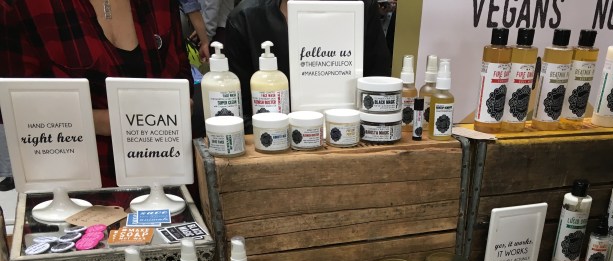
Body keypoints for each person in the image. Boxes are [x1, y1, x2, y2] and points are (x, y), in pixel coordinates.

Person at [0, 0, 193, 187]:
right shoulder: (21, 7)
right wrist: (125, 121)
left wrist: (178, 107)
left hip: (166, 177)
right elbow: (18, 110)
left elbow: (182, 74)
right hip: (75, 188)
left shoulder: (160, 4)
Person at [224, 0, 391, 131]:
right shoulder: (246, 17)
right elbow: (239, 113)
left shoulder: (362, 8)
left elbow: (379, 89)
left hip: (352, 139)